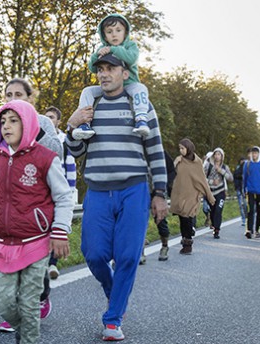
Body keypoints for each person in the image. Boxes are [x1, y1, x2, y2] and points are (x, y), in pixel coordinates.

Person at [65, 53, 168, 341]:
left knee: (127, 256)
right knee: (94, 254)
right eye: (101, 70)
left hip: (134, 189)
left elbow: (156, 151)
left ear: (125, 73)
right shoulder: (90, 105)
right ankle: (115, 295)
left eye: (111, 69)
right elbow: (75, 152)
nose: (104, 74)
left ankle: (113, 319)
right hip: (97, 190)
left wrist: (159, 193)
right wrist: (72, 127)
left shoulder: (141, 106)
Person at [0, 100, 74, 344]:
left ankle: (27, 335)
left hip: (36, 243)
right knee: (1, 300)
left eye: (13, 121)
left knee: (28, 303)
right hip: (3, 244)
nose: (6, 126)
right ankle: (25, 328)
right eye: (3, 122)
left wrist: (59, 232)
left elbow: (63, 197)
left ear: (27, 124)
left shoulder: (45, 159)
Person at [72, 13, 150, 140]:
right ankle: (84, 124)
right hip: (107, 87)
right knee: (87, 91)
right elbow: (92, 68)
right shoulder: (103, 48)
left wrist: (113, 49)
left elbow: (131, 58)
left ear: (125, 32)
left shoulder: (130, 46)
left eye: (118, 30)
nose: (114, 34)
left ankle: (141, 119)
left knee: (141, 89)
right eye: (109, 31)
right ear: (104, 35)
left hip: (130, 84)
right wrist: (97, 55)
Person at [44, 106, 77, 279]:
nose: (48, 120)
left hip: (60, 190)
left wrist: (70, 192)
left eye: (51, 117)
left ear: (58, 121)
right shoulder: (38, 138)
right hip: (42, 191)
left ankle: (52, 264)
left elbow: (71, 167)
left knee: (56, 227)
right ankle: (43, 262)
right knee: (45, 228)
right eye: (46, 117)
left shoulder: (64, 141)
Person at [169, 139, 215, 253]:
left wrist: (209, 196)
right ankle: (184, 240)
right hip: (180, 194)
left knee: (187, 217)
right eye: (179, 148)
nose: (180, 151)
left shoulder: (197, 162)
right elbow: (171, 173)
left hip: (192, 194)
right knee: (182, 218)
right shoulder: (179, 160)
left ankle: (188, 243)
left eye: (182, 148)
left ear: (188, 148)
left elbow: (202, 180)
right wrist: (175, 162)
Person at [204, 147, 232, 239]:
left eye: (219, 154)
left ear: (222, 156)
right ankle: (213, 224)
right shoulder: (208, 165)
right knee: (212, 211)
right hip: (210, 192)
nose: (217, 156)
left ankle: (217, 230)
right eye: (215, 154)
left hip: (221, 191)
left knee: (218, 210)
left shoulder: (225, 167)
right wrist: (211, 181)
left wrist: (221, 171)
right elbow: (202, 178)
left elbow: (230, 178)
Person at [233, 157, 248, 227]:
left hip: (246, 189)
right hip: (239, 188)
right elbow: (235, 176)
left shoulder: (247, 168)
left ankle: (247, 217)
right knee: (241, 205)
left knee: (245, 204)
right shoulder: (237, 168)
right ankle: (243, 219)